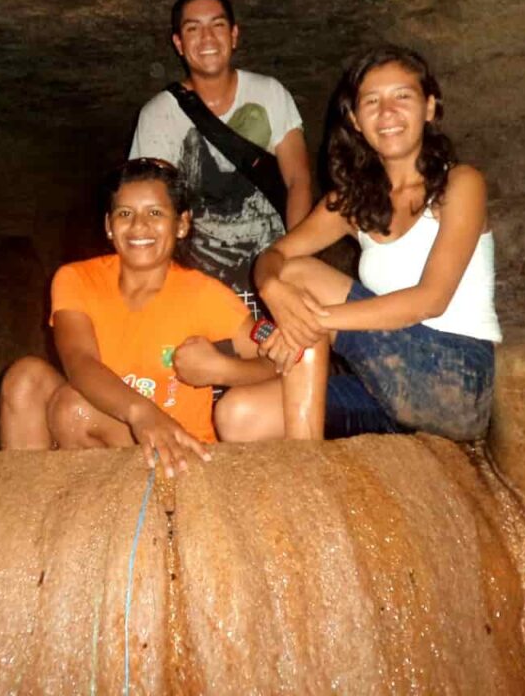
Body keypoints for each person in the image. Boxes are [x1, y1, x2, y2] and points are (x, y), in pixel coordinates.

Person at [215, 45, 502, 444]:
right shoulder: (349, 202)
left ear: (430, 107)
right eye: (372, 101)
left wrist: (310, 320)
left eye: (402, 96)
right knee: (237, 414)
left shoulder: (461, 184)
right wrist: (271, 289)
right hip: (385, 391)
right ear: (354, 119)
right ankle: (313, 450)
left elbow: (430, 299)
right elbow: (273, 257)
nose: (387, 113)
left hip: (453, 378)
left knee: (300, 277)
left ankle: (306, 466)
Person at [0, 158, 275, 477]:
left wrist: (224, 369)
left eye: (155, 213)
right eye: (125, 213)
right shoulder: (75, 279)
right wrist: (142, 413)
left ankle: (112, 518)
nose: (139, 226)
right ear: (108, 225)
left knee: (73, 410)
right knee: (24, 379)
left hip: (180, 451)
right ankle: (30, 514)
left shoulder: (205, 295)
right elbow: (79, 362)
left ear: (182, 224)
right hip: (129, 422)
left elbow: (276, 359)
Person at [129, 0, 312, 314]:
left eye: (217, 25)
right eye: (193, 29)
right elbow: (152, 204)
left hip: (271, 261)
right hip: (197, 271)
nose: (207, 38)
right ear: (179, 44)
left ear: (234, 34)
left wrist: (295, 260)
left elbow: (298, 179)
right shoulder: (158, 115)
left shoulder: (269, 93)